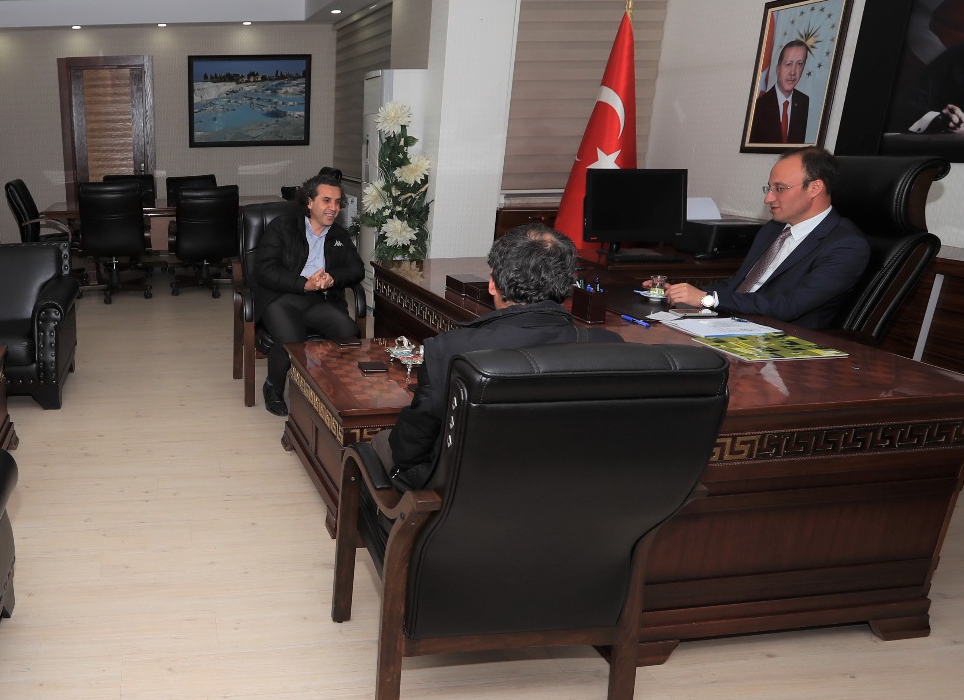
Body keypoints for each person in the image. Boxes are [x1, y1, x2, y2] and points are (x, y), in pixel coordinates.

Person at [382, 224, 613, 489]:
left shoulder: (449, 349)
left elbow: (409, 450)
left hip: (465, 494)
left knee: (381, 447)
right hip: (571, 491)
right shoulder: (609, 348)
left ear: (493, 284)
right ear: (567, 284)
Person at [665, 147, 870, 329]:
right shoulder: (773, 229)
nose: (768, 198)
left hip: (783, 341)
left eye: (780, 189)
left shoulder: (847, 246)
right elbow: (739, 286)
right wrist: (681, 291)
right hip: (733, 323)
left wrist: (708, 300)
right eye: (769, 188)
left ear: (815, 188)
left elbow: (788, 305)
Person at [253, 173, 364, 416]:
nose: (333, 208)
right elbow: (265, 270)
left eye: (337, 202)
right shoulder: (283, 227)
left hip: (319, 300)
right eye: (326, 200)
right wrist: (304, 284)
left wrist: (332, 278)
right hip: (281, 297)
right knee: (291, 338)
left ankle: (333, 388)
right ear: (310, 202)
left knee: (347, 331)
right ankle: (273, 387)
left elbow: (357, 269)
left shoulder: (338, 234)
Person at [747, 40, 811, 145]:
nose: (793, 72)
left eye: (799, 64)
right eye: (788, 64)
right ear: (778, 69)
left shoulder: (803, 102)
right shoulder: (758, 107)